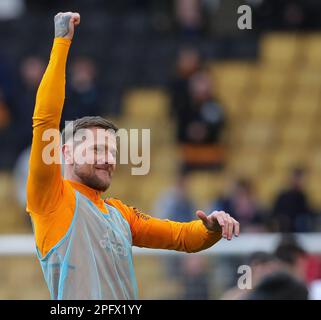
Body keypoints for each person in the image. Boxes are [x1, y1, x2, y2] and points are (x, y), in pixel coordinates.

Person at [26, 12, 240, 300]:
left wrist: (210, 228)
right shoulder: (50, 199)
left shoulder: (120, 214)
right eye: (98, 149)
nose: (108, 158)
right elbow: (45, 121)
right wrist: (61, 42)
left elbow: (182, 238)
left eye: (112, 151)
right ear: (65, 152)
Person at [271, 167, 314, 232]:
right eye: (297, 178)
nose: (299, 181)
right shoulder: (283, 196)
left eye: (300, 178)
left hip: (300, 230)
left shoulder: (303, 197)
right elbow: (275, 213)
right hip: (285, 229)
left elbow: (307, 213)